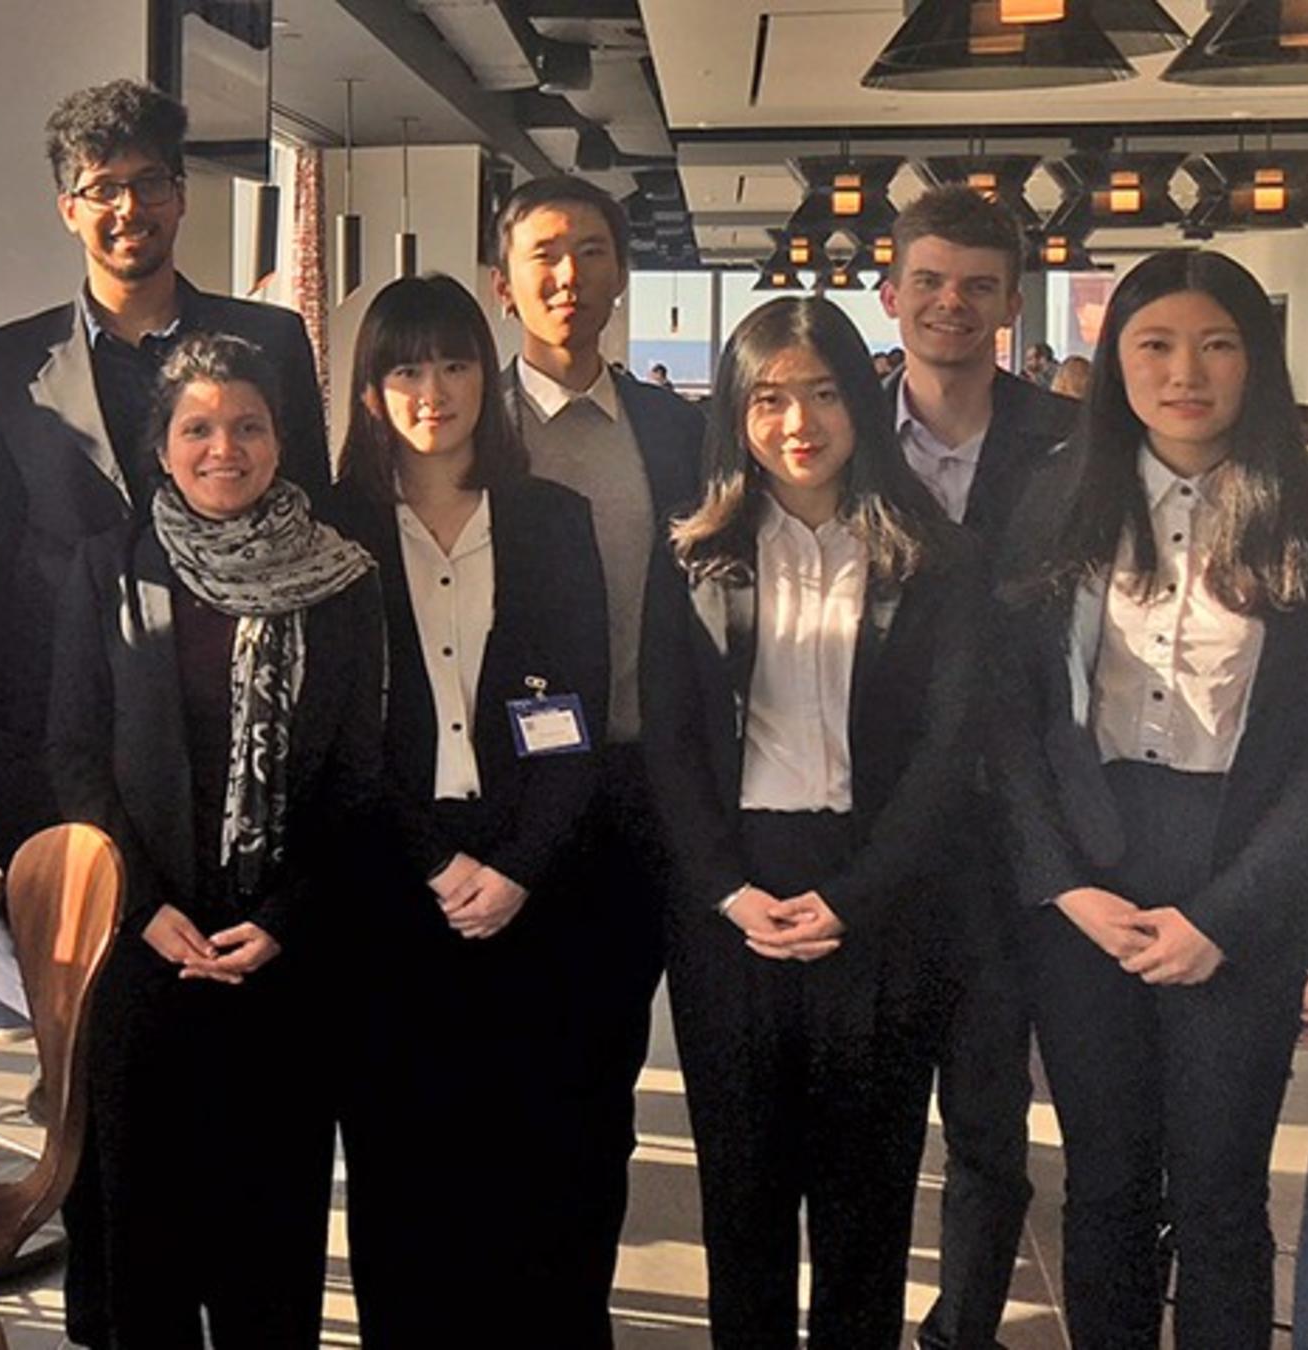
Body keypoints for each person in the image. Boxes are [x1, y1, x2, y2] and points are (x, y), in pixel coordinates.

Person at [643, 294, 981, 1348]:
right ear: (736, 413)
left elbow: (946, 751)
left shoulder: (930, 555)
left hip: (880, 899)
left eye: (824, 394)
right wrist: (726, 889)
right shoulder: (691, 553)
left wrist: (856, 895)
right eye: (770, 399)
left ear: (862, 404)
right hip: (733, 897)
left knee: (866, 1212)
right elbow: (670, 737)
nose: (799, 423)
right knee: (741, 1205)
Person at [995, 247, 1308, 1350]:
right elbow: (1013, 717)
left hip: (1243, 884)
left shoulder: (1302, 508)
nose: (1187, 372)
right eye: (1157, 345)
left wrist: (1231, 916)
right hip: (1091, 882)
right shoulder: (1056, 498)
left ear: (1256, 359)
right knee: (1106, 1184)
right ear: (1116, 359)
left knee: (1222, 1195)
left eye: (1217, 344)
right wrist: (1062, 885)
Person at [47, 332, 381, 1349]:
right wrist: (146, 911)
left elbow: (356, 776)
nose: (223, 448)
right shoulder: (109, 570)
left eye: (247, 425)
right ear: (161, 447)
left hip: (285, 959)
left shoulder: (341, 580)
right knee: (143, 1244)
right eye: (197, 428)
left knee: (269, 1248)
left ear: (280, 441)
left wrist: (285, 920)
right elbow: (75, 757)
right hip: (143, 952)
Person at [326, 275, 609, 1346]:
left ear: (487, 379)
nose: (432, 391)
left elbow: (575, 715)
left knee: (534, 1154)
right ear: (370, 391)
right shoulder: (334, 529)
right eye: (405, 369)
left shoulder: (551, 521)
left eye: (454, 364)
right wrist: (433, 864)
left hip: (531, 876)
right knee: (399, 1161)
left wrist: (521, 865)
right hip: (391, 885)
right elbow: (337, 734)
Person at [0, 78, 331, 871]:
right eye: (103, 188)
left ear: (181, 196)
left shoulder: (271, 341)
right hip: (55, 731)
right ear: (69, 208)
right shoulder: (8, 362)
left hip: (235, 725)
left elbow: (312, 523)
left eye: (150, 182)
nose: (130, 208)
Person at [488, 173, 703, 1344]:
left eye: (591, 251)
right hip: (498, 804)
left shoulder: (676, 432)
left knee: (600, 1084)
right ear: (504, 282)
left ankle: (575, 1317)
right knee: (497, 1076)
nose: (568, 275)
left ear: (623, 272)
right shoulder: (465, 425)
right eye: (544, 254)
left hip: (634, 789)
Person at [875, 183, 1077, 1350]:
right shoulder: (838, 426)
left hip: (1014, 826)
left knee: (992, 1121)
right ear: (891, 292)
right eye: (930, 281)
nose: (951, 304)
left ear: (1010, 304)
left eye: (979, 287)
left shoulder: (1071, 440)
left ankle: (964, 1332)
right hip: (872, 819)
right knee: (871, 1111)